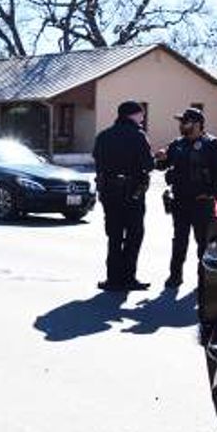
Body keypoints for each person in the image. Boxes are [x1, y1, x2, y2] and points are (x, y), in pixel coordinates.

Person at [154, 107, 217, 288]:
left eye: (185, 122)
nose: (181, 125)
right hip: (180, 202)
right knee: (179, 240)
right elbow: (162, 165)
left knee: (204, 242)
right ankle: (175, 276)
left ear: (197, 124)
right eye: (181, 122)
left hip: (202, 202)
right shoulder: (177, 144)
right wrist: (159, 158)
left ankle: (204, 278)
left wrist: (213, 193)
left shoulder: (213, 144)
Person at [92, 100, 155, 292]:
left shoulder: (103, 135)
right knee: (134, 234)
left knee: (114, 235)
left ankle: (112, 279)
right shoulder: (138, 136)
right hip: (132, 192)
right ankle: (127, 277)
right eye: (140, 114)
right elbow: (148, 165)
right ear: (131, 115)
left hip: (109, 192)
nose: (142, 118)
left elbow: (97, 160)